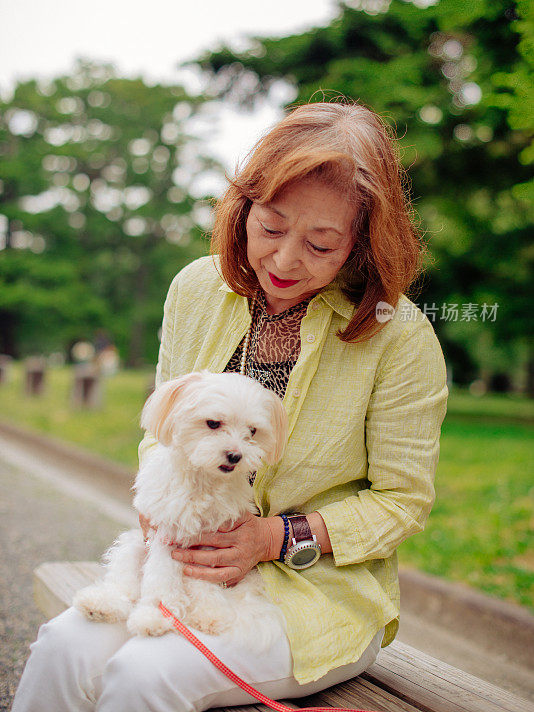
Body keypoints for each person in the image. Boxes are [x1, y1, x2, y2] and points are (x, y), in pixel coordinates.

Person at [13, 102, 448, 712]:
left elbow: (403, 501)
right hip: (178, 563)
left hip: (313, 594)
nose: (284, 259)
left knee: (144, 673)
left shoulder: (398, 335)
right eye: (270, 227)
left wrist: (273, 537)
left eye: (321, 244)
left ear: (361, 246)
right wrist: (160, 506)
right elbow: (162, 426)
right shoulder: (197, 288)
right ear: (243, 209)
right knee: (65, 644)